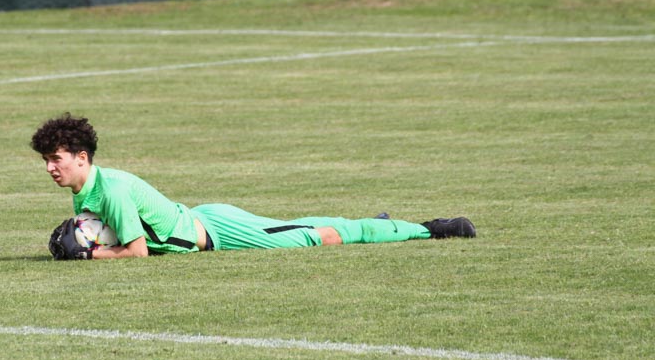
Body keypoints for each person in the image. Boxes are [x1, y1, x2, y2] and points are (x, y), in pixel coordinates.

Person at [30, 113, 476, 260]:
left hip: (221, 233)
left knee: (322, 237)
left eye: (56, 159)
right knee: (306, 226)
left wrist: (88, 254)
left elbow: (137, 253)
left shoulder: (111, 190)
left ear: (82, 157)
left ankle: (429, 228)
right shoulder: (88, 187)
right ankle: (374, 224)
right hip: (205, 218)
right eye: (47, 160)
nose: (50, 167)